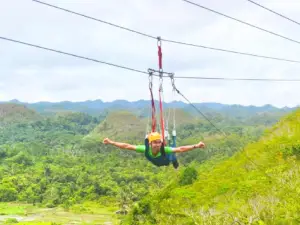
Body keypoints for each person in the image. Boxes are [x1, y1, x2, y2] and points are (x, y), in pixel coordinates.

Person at [103, 132, 205, 168]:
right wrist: (111, 142)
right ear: (150, 143)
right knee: (172, 150)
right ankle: (169, 140)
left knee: (173, 153)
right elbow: (127, 146)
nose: (157, 145)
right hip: (156, 162)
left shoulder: (164, 149)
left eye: (159, 142)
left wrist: (197, 145)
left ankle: (174, 162)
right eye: (155, 143)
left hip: (166, 160)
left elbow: (181, 149)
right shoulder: (145, 149)